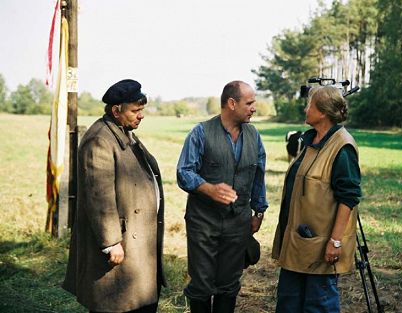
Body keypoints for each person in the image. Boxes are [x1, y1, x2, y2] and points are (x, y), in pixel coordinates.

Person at [62, 79, 166, 313]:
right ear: (116, 111)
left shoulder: (123, 132)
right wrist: (110, 243)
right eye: (135, 111)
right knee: (114, 303)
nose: (141, 116)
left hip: (134, 241)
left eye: (142, 110)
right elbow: (99, 196)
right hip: (119, 245)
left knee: (137, 303)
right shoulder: (100, 139)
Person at [176, 80, 268, 313]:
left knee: (229, 284)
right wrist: (209, 189)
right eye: (249, 103)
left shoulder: (254, 135)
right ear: (231, 103)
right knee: (202, 284)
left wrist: (258, 212)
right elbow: (184, 172)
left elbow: (259, 175)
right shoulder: (201, 132)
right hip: (203, 221)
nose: (254, 108)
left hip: (239, 222)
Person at [272, 86, 362, 312]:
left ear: (322, 113)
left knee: (319, 304)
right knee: (288, 303)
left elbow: (349, 197)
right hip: (298, 241)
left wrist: (335, 241)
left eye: (309, 105)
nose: (305, 109)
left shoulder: (342, 147)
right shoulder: (310, 142)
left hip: (321, 246)